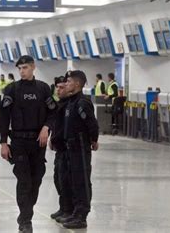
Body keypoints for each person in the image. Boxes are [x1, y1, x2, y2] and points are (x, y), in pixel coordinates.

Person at [0, 55, 57, 233]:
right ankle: (25, 220)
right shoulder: (12, 89)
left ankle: (26, 212)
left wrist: (47, 127)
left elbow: (53, 113)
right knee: (24, 181)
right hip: (19, 141)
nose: (22, 71)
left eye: (25, 68)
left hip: (37, 142)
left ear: (33, 67)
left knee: (36, 179)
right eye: (19, 68)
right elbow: (4, 117)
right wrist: (3, 142)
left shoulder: (43, 89)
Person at [61, 70, 99, 229]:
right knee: (73, 181)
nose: (66, 84)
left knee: (82, 181)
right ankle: (75, 212)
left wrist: (93, 139)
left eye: (69, 81)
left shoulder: (82, 102)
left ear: (77, 84)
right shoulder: (71, 102)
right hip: (71, 147)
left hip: (80, 146)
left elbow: (92, 123)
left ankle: (82, 215)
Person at [49, 76, 74, 223]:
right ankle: (63, 207)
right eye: (57, 87)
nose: (58, 90)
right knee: (58, 179)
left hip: (68, 148)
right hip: (59, 148)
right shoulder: (58, 105)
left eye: (62, 87)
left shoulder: (70, 104)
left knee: (66, 180)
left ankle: (68, 209)